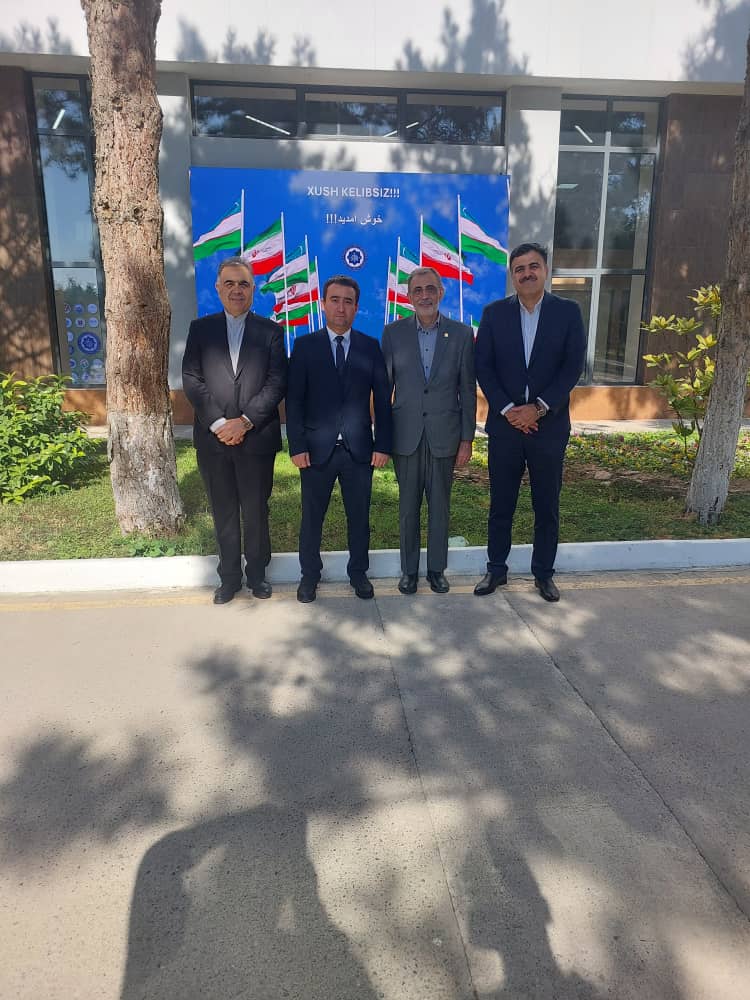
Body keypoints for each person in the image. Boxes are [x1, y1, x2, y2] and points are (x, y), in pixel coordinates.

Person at [473, 242, 585, 602]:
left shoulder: (567, 312)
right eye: (519, 268)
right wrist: (509, 409)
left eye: (533, 266)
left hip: (548, 427)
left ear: (545, 270)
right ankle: (496, 569)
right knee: (500, 504)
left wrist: (538, 408)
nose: (526, 273)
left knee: (546, 505)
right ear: (512, 275)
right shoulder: (494, 314)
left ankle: (544, 574)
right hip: (505, 427)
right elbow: (483, 366)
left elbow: (572, 367)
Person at [182, 257, 287, 605]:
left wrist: (244, 422)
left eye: (243, 284)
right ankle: (228, 578)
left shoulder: (271, 332)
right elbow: (192, 379)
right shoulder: (201, 329)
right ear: (218, 288)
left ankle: (257, 575)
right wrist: (218, 423)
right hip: (213, 441)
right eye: (229, 283)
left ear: (253, 289)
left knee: (256, 510)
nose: (236, 290)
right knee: (223, 511)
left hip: (256, 438)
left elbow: (277, 382)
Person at [286, 275, 392, 603]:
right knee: (312, 518)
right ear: (323, 304)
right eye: (334, 300)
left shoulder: (370, 347)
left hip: (359, 450)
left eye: (348, 301)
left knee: (359, 518)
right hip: (316, 450)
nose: (341, 307)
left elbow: (383, 400)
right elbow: (294, 401)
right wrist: (297, 446)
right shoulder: (305, 346)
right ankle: (309, 576)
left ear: (357, 308)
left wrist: (383, 444)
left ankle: (358, 573)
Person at [381, 266, 475, 594]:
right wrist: (382, 437)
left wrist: (467, 439)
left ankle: (436, 570)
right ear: (408, 296)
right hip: (405, 436)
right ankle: (409, 571)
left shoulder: (461, 334)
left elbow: (467, 390)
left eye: (431, 289)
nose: (425, 295)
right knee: (408, 509)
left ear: (441, 293)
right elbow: (384, 389)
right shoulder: (393, 334)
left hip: (444, 436)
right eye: (418, 290)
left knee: (440, 507)